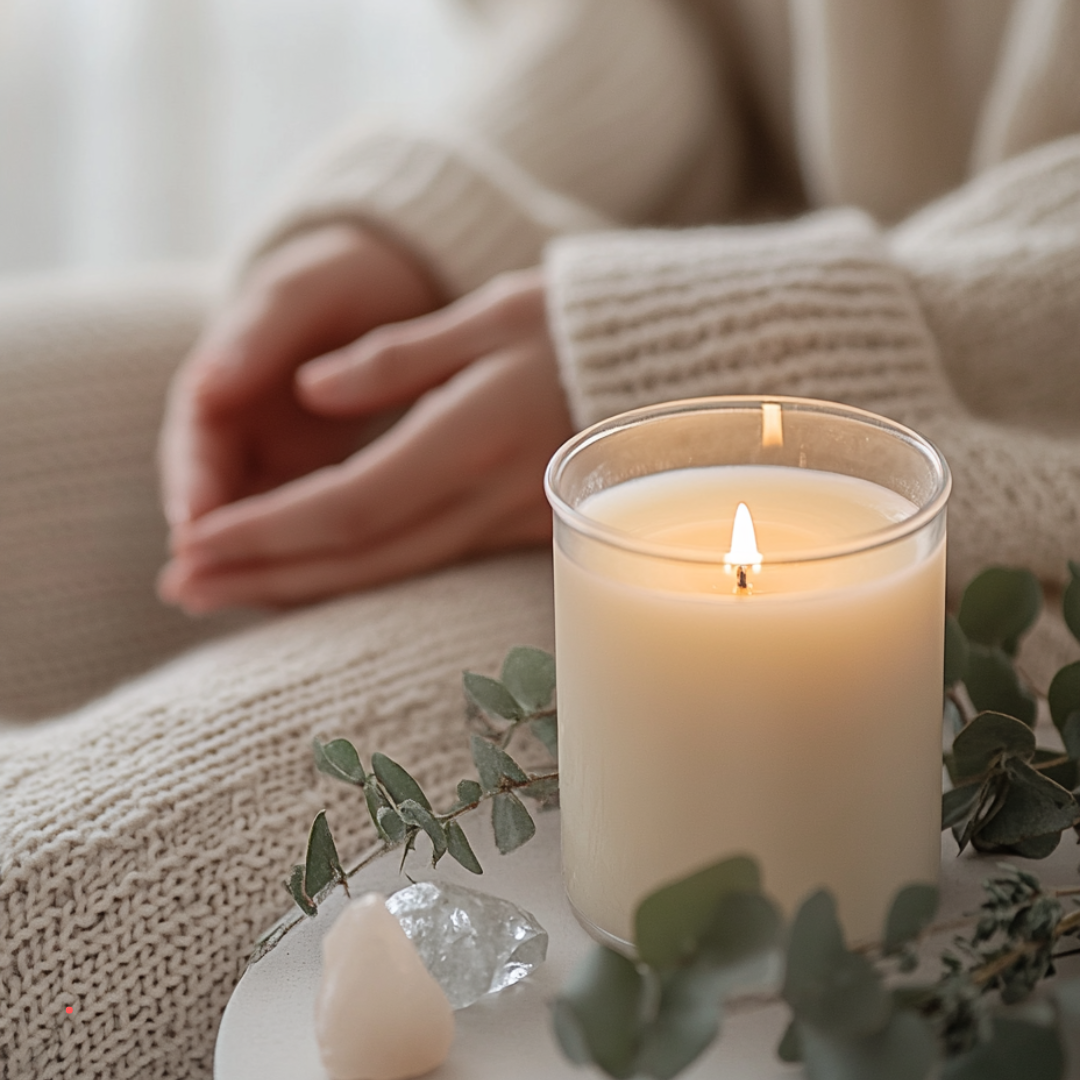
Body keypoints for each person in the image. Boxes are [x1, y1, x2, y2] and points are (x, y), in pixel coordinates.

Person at [0, 1, 1077, 1075]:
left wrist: (721, 335)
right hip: (678, 267)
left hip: (1009, 445)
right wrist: (440, 220)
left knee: (42, 898)